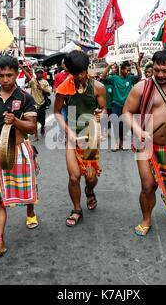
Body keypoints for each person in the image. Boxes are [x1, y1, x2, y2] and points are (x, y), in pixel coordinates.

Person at [122, 50, 166, 236]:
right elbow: (127, 112)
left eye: (165, 71)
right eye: (156, 70)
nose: (160, 74)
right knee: (148, 186)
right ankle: (146, 219)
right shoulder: (141, 87)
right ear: (152, 67)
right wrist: (138, 131)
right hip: (144, 144)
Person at [0, 55, 39, 262]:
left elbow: (32, 127)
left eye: (9, 75)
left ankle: (30, 209)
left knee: (28, 190)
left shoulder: (25, 98)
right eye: (1, 75)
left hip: (20, 149)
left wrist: (16, 121)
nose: (5, 79)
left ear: (17, 74)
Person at [54, 50, 106, 227]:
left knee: (91, 178)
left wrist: (101, 115)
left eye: (82, 72)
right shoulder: (63, 88)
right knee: (74, 177)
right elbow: (57, 113)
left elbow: (104, 110)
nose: (79, 76)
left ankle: (90, 191)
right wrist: (69, 132)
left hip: (91, 136)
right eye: (74, 73)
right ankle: (76, 209)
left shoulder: (98, 87)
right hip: (72, 137)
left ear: (87, 69)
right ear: (68, 71)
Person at [102, 59, 142, 151]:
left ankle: (122, 142)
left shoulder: (130, 78)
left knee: (124, 124)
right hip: (116, 105)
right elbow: (103, 78)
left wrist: (136, 64)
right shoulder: (114, 78)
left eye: (130, 70)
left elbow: (139, 76)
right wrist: (109, 65)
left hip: (127, 106)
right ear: (122, 70)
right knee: (116, 123)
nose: (129, 72)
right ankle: (116, 143)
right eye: (127, 70)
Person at [24, 66, 52, 141]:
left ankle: (42, 126)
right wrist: (24, 69)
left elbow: (49, 93)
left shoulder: (45, 82)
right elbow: (28, 79)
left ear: (43, 74)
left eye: (41, 73)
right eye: (38, 72)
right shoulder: (33, 81)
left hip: (42, 103)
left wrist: (41, 89)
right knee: (34, 121)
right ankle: (36, 136)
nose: (39, 74)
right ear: (36, 73)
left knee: (42, 121)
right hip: (34, 104)